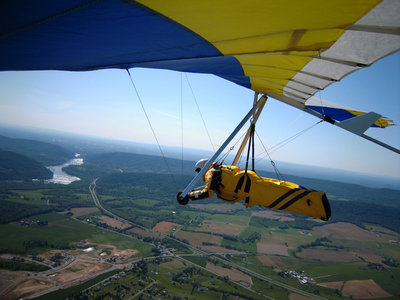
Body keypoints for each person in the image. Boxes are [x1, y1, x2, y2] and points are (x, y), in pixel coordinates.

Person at [177, 159, 331, 221]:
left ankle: (318, 203)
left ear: (202, 168)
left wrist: (189, 196)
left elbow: (207, 193)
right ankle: (316, 203)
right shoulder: (219, 170)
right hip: (254, 187)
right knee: (283, 188)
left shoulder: (211, 172)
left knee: (283, 198)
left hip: (254, 191)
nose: (200, 176)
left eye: (199, 172)